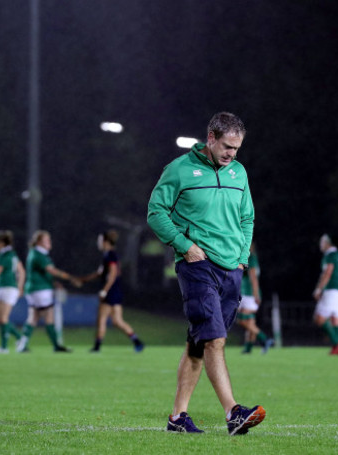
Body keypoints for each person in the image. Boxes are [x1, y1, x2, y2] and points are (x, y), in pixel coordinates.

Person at [147, 112, 265, 435]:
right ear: (210, 138)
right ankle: (233, 413)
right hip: (197, 266)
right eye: (227, 146)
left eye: (237, 149)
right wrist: (184, 245)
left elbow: (247, 218)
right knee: (214, 339)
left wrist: (242, 256)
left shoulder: (239, 173)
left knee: (198, 345)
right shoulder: (179, 170)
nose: (232, 154)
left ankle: (177, 418)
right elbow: (155, 212)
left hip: (232, 270)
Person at [79, 230, 144, 353]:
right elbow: (100, 273)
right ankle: (137, 342)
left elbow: (113, 273)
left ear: (105, 242)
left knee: (101, 319)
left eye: (99, 240)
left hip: (111, 291)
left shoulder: (110, 255)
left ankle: (97, 347)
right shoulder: (108, 255)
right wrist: (84, 280)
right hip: (116, 291)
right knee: (117, 321)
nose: (98, 243)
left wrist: (104, 290)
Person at [16, 230, 80, 353]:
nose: (50, 242)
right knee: (49, 317)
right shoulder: (38, 254)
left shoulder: (35, 253)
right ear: (39, 242)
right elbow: (51, 270)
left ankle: (22, 345)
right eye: (47, 240)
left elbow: (42, 273)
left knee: (33, 317)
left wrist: (55, 283)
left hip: (34, 289)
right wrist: (70, 277)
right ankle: (56, 345)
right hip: (40, 290)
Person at [312, 234, 338, 355]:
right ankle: (337, 347)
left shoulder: (330, 255)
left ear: (327, 243)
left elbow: (328, 272)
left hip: (331, 290)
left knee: (319, 318)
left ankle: (337, 343)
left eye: (322, 242)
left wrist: (319, 289)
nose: (320, 245)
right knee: (335, 319)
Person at [236, 241, 273, 354]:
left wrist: (256, 295)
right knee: (250, 322)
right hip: (248, 294)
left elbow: (253, 278)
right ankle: (248, 348)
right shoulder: (251, 258)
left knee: (242, 320)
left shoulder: (250, 258)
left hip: (249, 294)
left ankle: (265, 339)